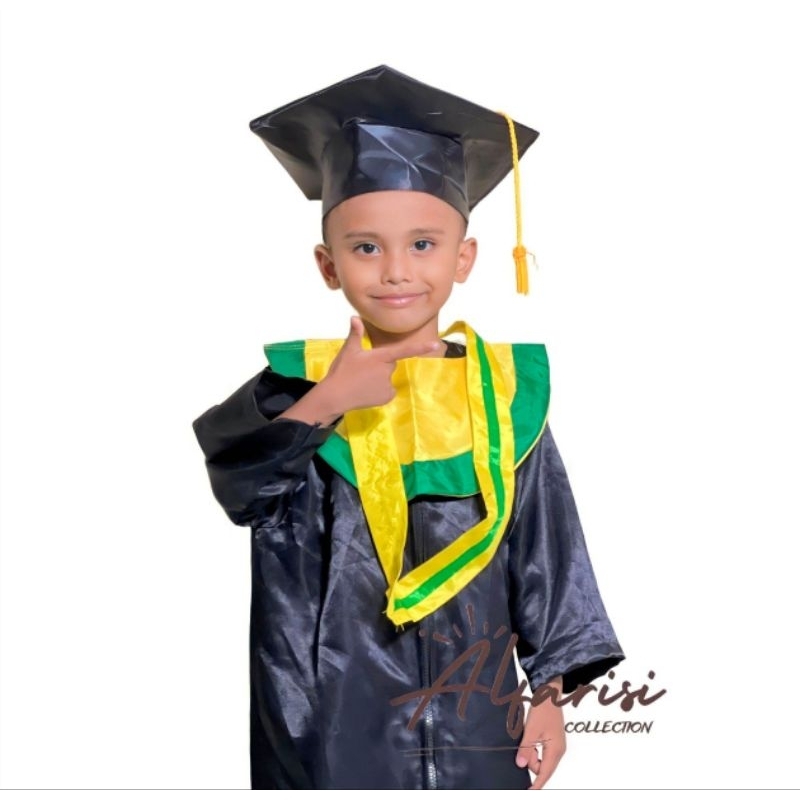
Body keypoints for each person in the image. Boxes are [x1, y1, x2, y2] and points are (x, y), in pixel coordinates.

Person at [192, 65, 624, 790]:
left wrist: (551, 694)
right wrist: (328, 402)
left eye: (423, 244)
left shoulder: (504, 398)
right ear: (329, 265)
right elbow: (242, 490)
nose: (396, 270)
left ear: (465, 257)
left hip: (479, 725)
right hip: (327, 725)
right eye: (366, 247)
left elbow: (547, 554)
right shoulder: (297, 387)